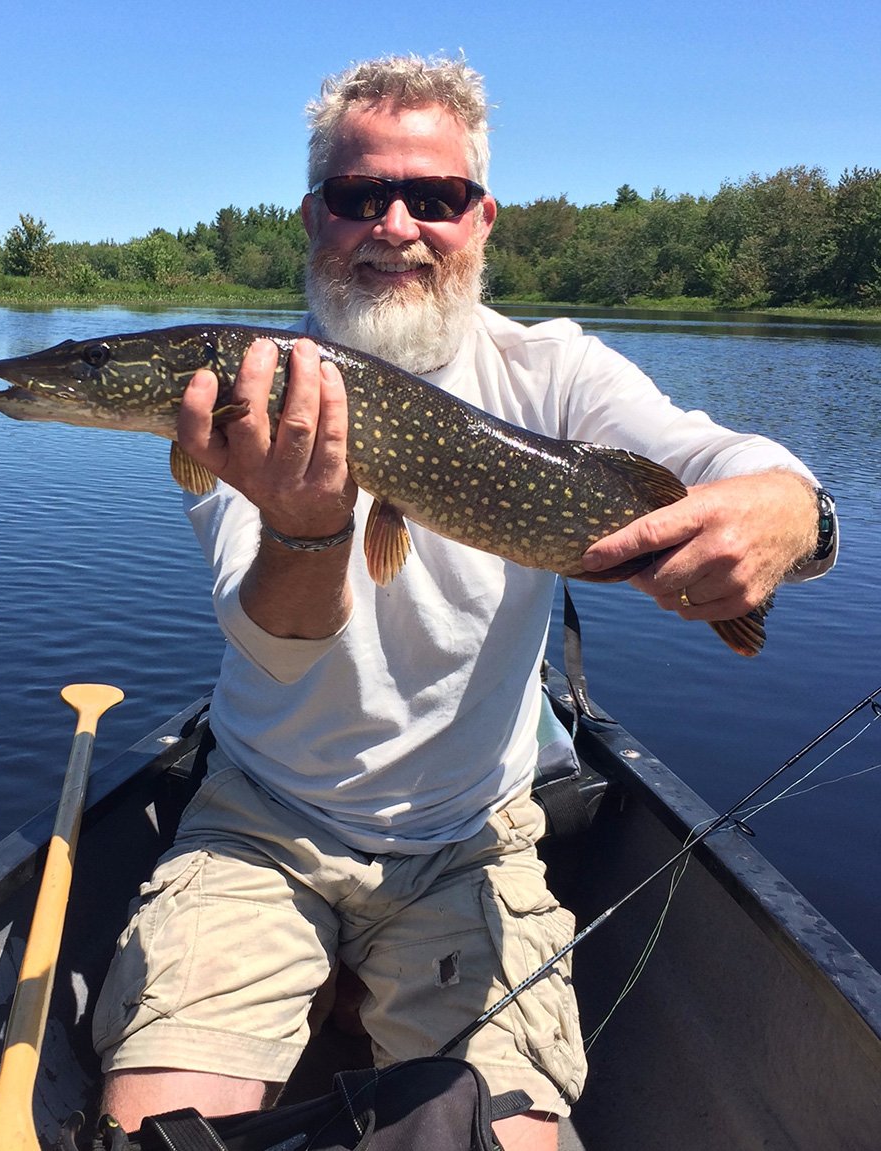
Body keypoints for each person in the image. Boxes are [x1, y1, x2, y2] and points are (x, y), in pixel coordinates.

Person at [91, 55, 837, 1151]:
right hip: (261, 819)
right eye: (359, 197)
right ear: (314, 218)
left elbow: (717, 458)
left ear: (481, 219)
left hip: (472, 839)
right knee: (153, 1133)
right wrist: (309, 527)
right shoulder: (251, 391)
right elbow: (283, 644)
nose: (395, 225)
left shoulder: (554, 369)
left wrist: (788, 509)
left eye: (431, 199)